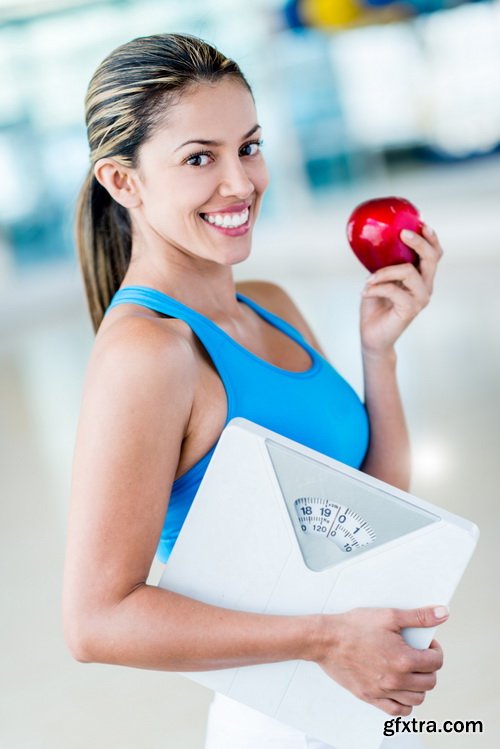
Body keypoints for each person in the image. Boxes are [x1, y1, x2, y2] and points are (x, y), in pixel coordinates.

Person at [62, 32, 446, 749]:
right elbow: (95, 620)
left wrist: (377, 353)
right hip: (278, 720)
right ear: (124, 182)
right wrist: (327, 638)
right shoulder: (149, 353)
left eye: (250, 145)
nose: (241, 183)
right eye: (199, 157)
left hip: (355, 696)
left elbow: (362, 513)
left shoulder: (268, 302)